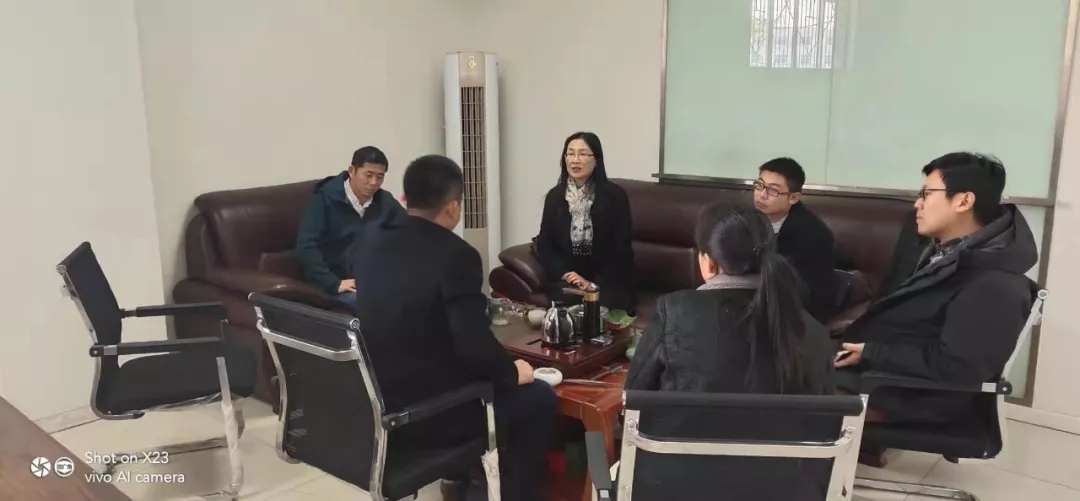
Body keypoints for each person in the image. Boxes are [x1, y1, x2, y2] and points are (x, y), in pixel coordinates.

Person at [349, 154, 556, 501]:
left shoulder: (371, 241)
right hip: (432, 413)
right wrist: (512, 373)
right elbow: (473, 346)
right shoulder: (457, 255)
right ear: (453, 208)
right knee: (538, 397)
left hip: (380, 400)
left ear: (405, 198)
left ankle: (460, 480)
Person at [625, 201, 835, 500]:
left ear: (709, 263)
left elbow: (634, 398)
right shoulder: (812, 330)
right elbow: (823, 427)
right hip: (781, 490)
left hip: (676, 487)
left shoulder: (675, 311)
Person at [835, 152, 1037, 424]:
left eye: (927, 194)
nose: (917, 203)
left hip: (908, 394)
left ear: (963, 201)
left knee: (792, 388)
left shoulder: (995, 281)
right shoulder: (940, 251)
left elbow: (960, 366)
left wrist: (872, 353)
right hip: (880, 372)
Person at [535, 132, 637, 314]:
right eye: (570, 154)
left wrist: (592, 283)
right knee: (567, 300)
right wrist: (568, 275)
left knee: (600, 302)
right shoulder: (555, 197)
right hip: (569, 280)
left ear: (596, 160)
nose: (575, 160)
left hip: (608, 280)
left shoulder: (615, 197)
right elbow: (545, 245)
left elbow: (621, 249)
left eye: (582, 154)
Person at [296, 146, 405, 308]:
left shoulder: (385, 201)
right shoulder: (325, 200)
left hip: (374, 279)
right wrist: (333, 283)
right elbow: (307, 246)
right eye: (368, 175)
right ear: (352, 171)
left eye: (380, 177)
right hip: (338, 283)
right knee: (381, 306)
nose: (374, 183)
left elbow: (410, 230)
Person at [753, 157, 842, 322]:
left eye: (773, 190)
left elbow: (811, 296)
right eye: (759, 185)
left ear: (793, 198)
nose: (762, 195)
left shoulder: (814, 236)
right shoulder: (745, 221)